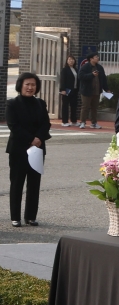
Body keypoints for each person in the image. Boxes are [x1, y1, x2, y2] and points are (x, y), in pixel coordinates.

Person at [7, 72, 50, 226]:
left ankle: (31, 216)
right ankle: (15, 217)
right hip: (18, 149)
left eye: (33, 85)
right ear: (21, 85)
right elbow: (13, 126)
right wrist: (31, 139)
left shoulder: (40, 103)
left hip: (37, 149)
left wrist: (38, 138)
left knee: (34, 183)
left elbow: (46, 124)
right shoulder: (12, 104)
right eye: (27, 84)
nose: (30, 87)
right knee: (17, 182)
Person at [78, 54, 106, 129]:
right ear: (91, 59)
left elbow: (103, 79)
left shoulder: (99, 67)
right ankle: (82, 122)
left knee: (95, 108)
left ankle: (94, 123)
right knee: (85, 107)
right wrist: (92, 75)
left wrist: (106, 89)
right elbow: (80, 76)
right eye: (96, 57)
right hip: (86, 91)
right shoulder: (85, 67)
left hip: (97, 91)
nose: (98, 58)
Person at [58, 54, 77, 127]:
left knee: (74, 106)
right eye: (69, 59)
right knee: (65, 106)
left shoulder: (75, 69)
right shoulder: (65, 70)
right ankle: (64, 121)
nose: (71, 61)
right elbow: (62, 80)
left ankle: (74, 121)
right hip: (66, 90)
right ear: (67, 61)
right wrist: (62, 89)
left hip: (74, 90)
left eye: (72, 59)